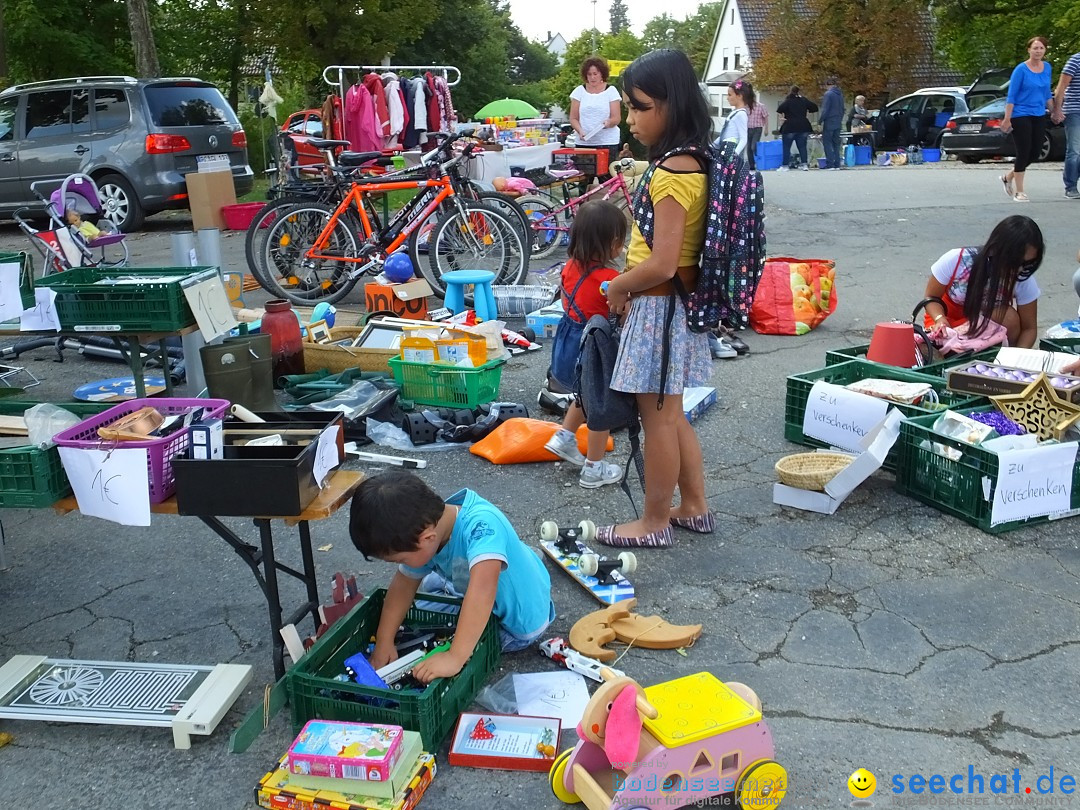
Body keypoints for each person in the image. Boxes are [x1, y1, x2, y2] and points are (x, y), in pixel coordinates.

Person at [599, 49, 714, 548]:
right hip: (676, 308)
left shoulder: (671, 172)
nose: (631, 118)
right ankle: (693, 507)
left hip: (658, 307)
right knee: (673, 415)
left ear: (670, 104)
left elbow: (663, 262)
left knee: (658, 420)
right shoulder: (694, 159)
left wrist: (616, 286)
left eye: (639, 106)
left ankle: (653, 522)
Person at [349, 471, 555, 683]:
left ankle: (514, 565)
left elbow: (481, 596)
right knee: (429, 586)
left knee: (454, 636)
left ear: (427, 538)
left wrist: (454, 657)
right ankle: (518, 557)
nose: (398, 565)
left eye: (397, 559)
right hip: (477, 582)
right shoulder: (432, 525)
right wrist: (384, 640)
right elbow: (402, 585)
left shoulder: (482, 527)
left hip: (518, 622)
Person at [543, 200, 628, 488]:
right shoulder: (610, 280)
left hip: (569, 341)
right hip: (594, 349)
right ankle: (594, 467)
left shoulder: (569, 267)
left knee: (583, 396)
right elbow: (620, 313)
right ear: (612, 243)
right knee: (600, 407)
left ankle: (564, 437)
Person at [921, 215, 1044, 350]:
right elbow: (931, 298)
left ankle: (993, 356)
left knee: (1009, 317)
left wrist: (1016, 356)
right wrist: (939, 318)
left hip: (984, 330)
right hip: (947, 325)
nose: (1019, 268)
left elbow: (1029, 328)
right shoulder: (958, 259)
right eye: (1016, 261)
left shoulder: (1022, 279)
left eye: (1027, 263)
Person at [1000, 36, 1054, 202]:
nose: (1038, 51)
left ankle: (1008, 176)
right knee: (1023, 151)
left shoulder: (1047, 68)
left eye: (1041, 48)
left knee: (1035, 152)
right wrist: (1007, 118)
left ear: (1045, 50)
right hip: (1020, 114)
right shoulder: (1021, 70)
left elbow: (1046, 93)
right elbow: (1012, 95)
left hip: (1038, 113)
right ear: (1029, 50)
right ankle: (1020, 191)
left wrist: (1055, 111)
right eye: (1035, 48)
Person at [569, 56, 623, 178]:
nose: (592, 77)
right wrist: (580, 131)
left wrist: (608, 123)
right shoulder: (579, 91)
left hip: (607, 142)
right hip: (584, 143)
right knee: (584, 179)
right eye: (589, 74)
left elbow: (616, 118)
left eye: (595, 74)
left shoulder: (611, 91)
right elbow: (573, 118)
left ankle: (605, 197)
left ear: (601, 74)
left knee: (606, 178)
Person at [1051, 48, 1080, 199]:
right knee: (1075, 150)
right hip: (1075, 110)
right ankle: (1071, 186)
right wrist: (1057, 109)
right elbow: (1061, 87)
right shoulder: (1075, 60)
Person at [776, 86, 818, 171]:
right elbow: (815, 107)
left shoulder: (788, 101)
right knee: (802, 146)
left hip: (790, 126)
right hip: (803, 125)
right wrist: (807, 113)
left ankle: (785, 166)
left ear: (790, 91)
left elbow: (779, 109)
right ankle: (804, 164)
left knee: (787, 147)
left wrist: (783, 118)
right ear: (799, 92)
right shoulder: (803, 100)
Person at [713, 80, 753, 160]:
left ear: (739, 96)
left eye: (730, 95)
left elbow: (743, 138)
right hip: (725, 149)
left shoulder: (741, 114)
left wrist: (735, 154)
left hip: (730, 152)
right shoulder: (734, 113)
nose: (727, 98)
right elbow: (724, 134)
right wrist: (712, 145)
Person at [819, 77, 844, 170]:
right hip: (838, 121)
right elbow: (842, 109)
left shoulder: (828, 94)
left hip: (829, 121)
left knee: (827, 142)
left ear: (828, 85)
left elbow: (825, 109)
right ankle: (837, 163)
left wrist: (820, 121)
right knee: (836, 143)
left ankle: (830, 163)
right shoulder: (840, 95)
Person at [745, 95, 768, 171]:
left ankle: (758, 159)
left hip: (757, 129)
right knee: (748, 148)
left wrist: (766, 129)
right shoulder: (746, 107)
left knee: (753, 146)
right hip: (748, 129)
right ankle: (751, 165)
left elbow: (766, 117)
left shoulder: (761, 106)